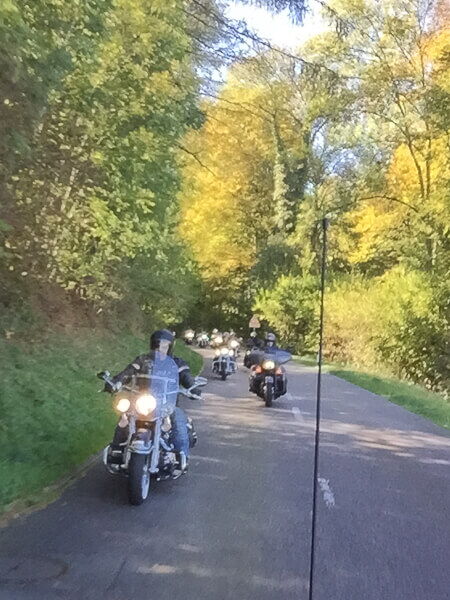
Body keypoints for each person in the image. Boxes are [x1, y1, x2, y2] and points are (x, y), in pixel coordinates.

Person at [106, 329, 201, 473]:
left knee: (178, 420)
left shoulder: (177, 363)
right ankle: (116, 451)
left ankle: (183, 457)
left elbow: (186, 377)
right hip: (142, 401)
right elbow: (128, 372)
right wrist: (116, 382)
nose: (160, 348)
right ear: (152, 345)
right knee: (124, 418)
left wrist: (193, 387)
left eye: (164, 345)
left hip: (167, 404)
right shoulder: (143, 360)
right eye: (157, 344)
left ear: (170, 346)